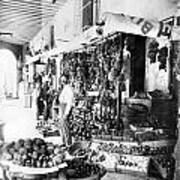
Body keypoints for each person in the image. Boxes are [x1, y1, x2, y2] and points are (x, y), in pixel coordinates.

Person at [58, 74, 74, 146]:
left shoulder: (69, 89)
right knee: (62, 127)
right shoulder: (64, 88)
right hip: (62, 107)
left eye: (64, 80)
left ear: (67, 80)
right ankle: (64, 142)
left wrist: (66, 113)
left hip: (65, 108)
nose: (63, 81)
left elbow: (70, 102)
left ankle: (68, 143)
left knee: (66, 127)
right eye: (62, 80)